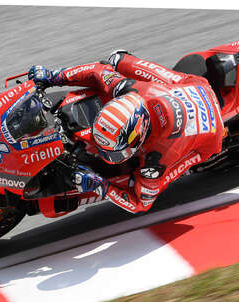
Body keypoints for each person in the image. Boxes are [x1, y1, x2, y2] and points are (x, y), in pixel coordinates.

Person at [28, 50, 224, 213]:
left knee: (139, 181)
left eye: (114, 151)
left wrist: (102, 187)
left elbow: (140, 204)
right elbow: (98, 70)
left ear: (138, 137)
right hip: (190, 85)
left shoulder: (157, 158)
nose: (107, 154)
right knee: (116, 59)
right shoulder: (128, 88)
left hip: (209, 132)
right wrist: (54, 76)